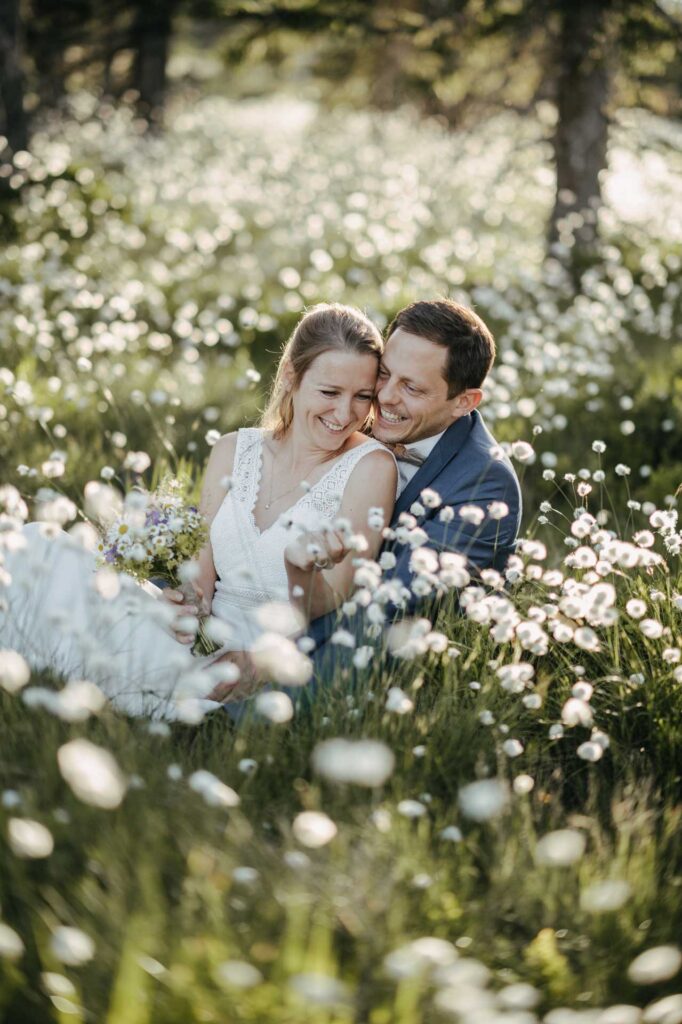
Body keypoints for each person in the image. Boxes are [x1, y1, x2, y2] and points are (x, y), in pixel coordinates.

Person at [0, 304, 397, 718]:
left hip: (262, 659)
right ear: (291, 379)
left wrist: (296, 580)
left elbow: (333, 602)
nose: (345, 413)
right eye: (330, 392)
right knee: (32, 543)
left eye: (362, 397)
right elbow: (200, 578)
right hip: (195, 637)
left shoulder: (370, 466)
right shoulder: (233, 449)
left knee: (73, 629)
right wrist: (182, 602)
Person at [300, 298, 522, 680]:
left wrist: (269, 656)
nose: (384, 397)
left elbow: (390, 608)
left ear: (463, 402)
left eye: (412, 388)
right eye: (384, 374)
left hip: (354, 669)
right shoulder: (347, 414)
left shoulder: (484, 484)